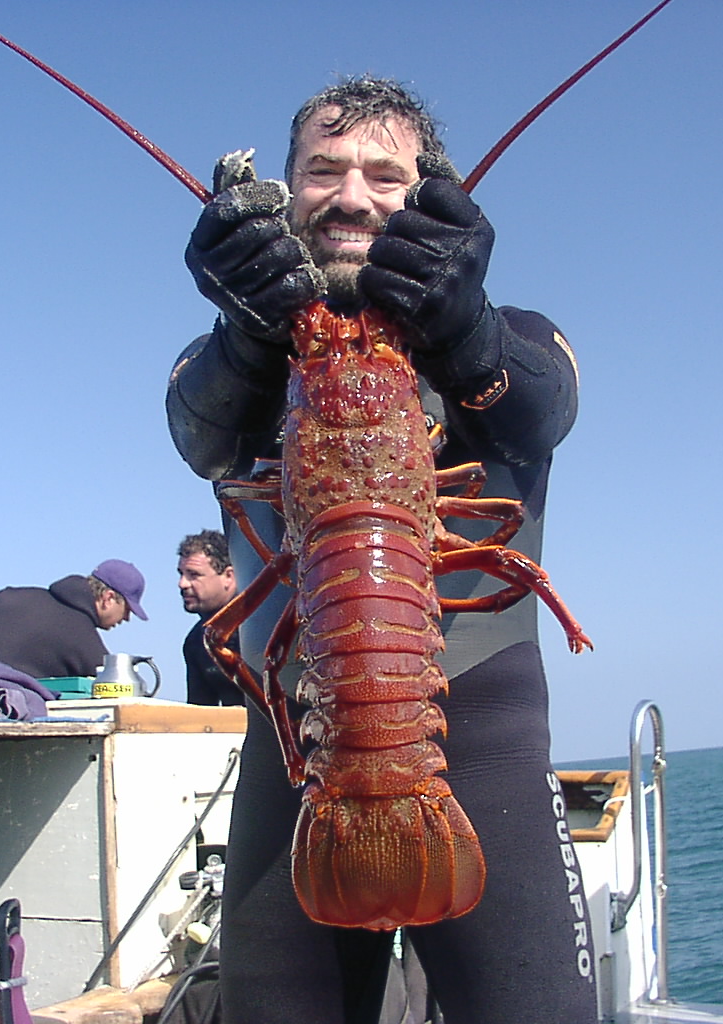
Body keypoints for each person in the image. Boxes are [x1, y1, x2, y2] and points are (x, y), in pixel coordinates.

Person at [166, 76, 594, 1023]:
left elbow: (542, 404)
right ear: (281, 193)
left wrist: (466, 329)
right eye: (322, 169)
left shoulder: (510, 336)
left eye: (384, 174)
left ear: (425, 192)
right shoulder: (237, 358)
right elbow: (199, 428)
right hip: (304, 762)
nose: (352, 194)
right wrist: (246, 333)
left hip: (476, 755)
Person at [0, 559, 148, 680]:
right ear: (108, 598)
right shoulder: (84, 639)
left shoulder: (13, 597)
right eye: (127, 608)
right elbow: (111, 689)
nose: (127, 618)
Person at [177, 529, 243, 707]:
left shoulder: (260, 627)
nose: (182, 583)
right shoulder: (195, 641)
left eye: (194, 575)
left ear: (228, 576)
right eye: (181, 574)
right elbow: (200, 714)